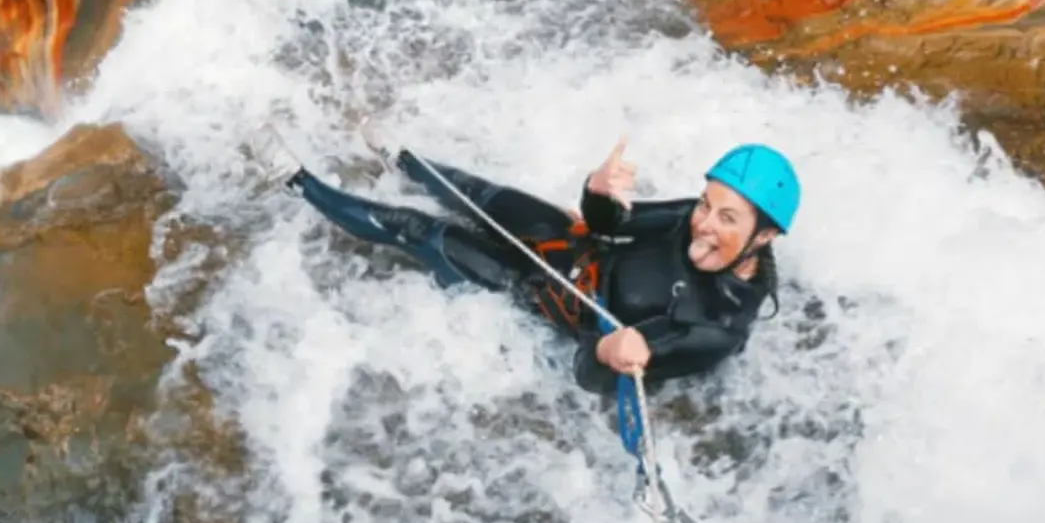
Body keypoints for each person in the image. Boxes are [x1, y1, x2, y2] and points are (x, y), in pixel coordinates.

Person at [277, 133, 799, 394]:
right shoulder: (690, 215)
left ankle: (299, 180)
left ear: (766, 235)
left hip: (545, 293)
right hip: (570, 244)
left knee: (422, 231)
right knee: (477, 193)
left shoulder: (715, 326)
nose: (704, 224)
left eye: (727, 218)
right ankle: (403, 158)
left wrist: (611, 352)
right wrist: (596, 193)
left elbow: (589, 376)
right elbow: (605, 224)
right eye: (706, 204)